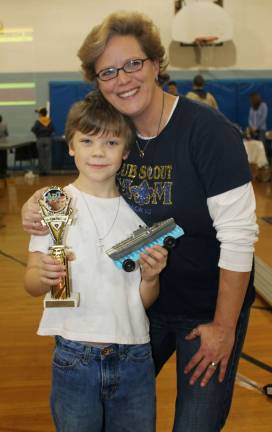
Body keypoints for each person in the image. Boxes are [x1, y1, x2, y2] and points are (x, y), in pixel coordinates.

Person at [22, 11, 258, 432]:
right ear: (97, 82)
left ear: (154, 63)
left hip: (206, 309)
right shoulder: (115, 127)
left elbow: (240, 238)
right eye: (108, 71)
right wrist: (41, 200)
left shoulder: (208, 132)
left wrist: (223, 327)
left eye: (133, 63)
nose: (123, 79)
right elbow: (86, 181)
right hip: (139, 307)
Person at [24, 90, 168, 432]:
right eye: (87, 141)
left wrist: (151, 278)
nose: (98, 152)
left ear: (126, 151)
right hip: (74, 358)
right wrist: (41, 276)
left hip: (134, 358)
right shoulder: (53, 203)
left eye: (111, 143)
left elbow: (143, 300)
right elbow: (30, 283)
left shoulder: (141, 215)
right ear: (70, 145)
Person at [31, 107, 54, 175]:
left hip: (40, 139)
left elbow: (33, 129)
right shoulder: (49, 121)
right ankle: (48, 171)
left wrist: (38, 134)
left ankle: (42, 171)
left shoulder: (38, 121)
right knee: (48, 156)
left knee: (41, 156)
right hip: (48, 139)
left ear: (41, 114)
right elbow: (52, 130)